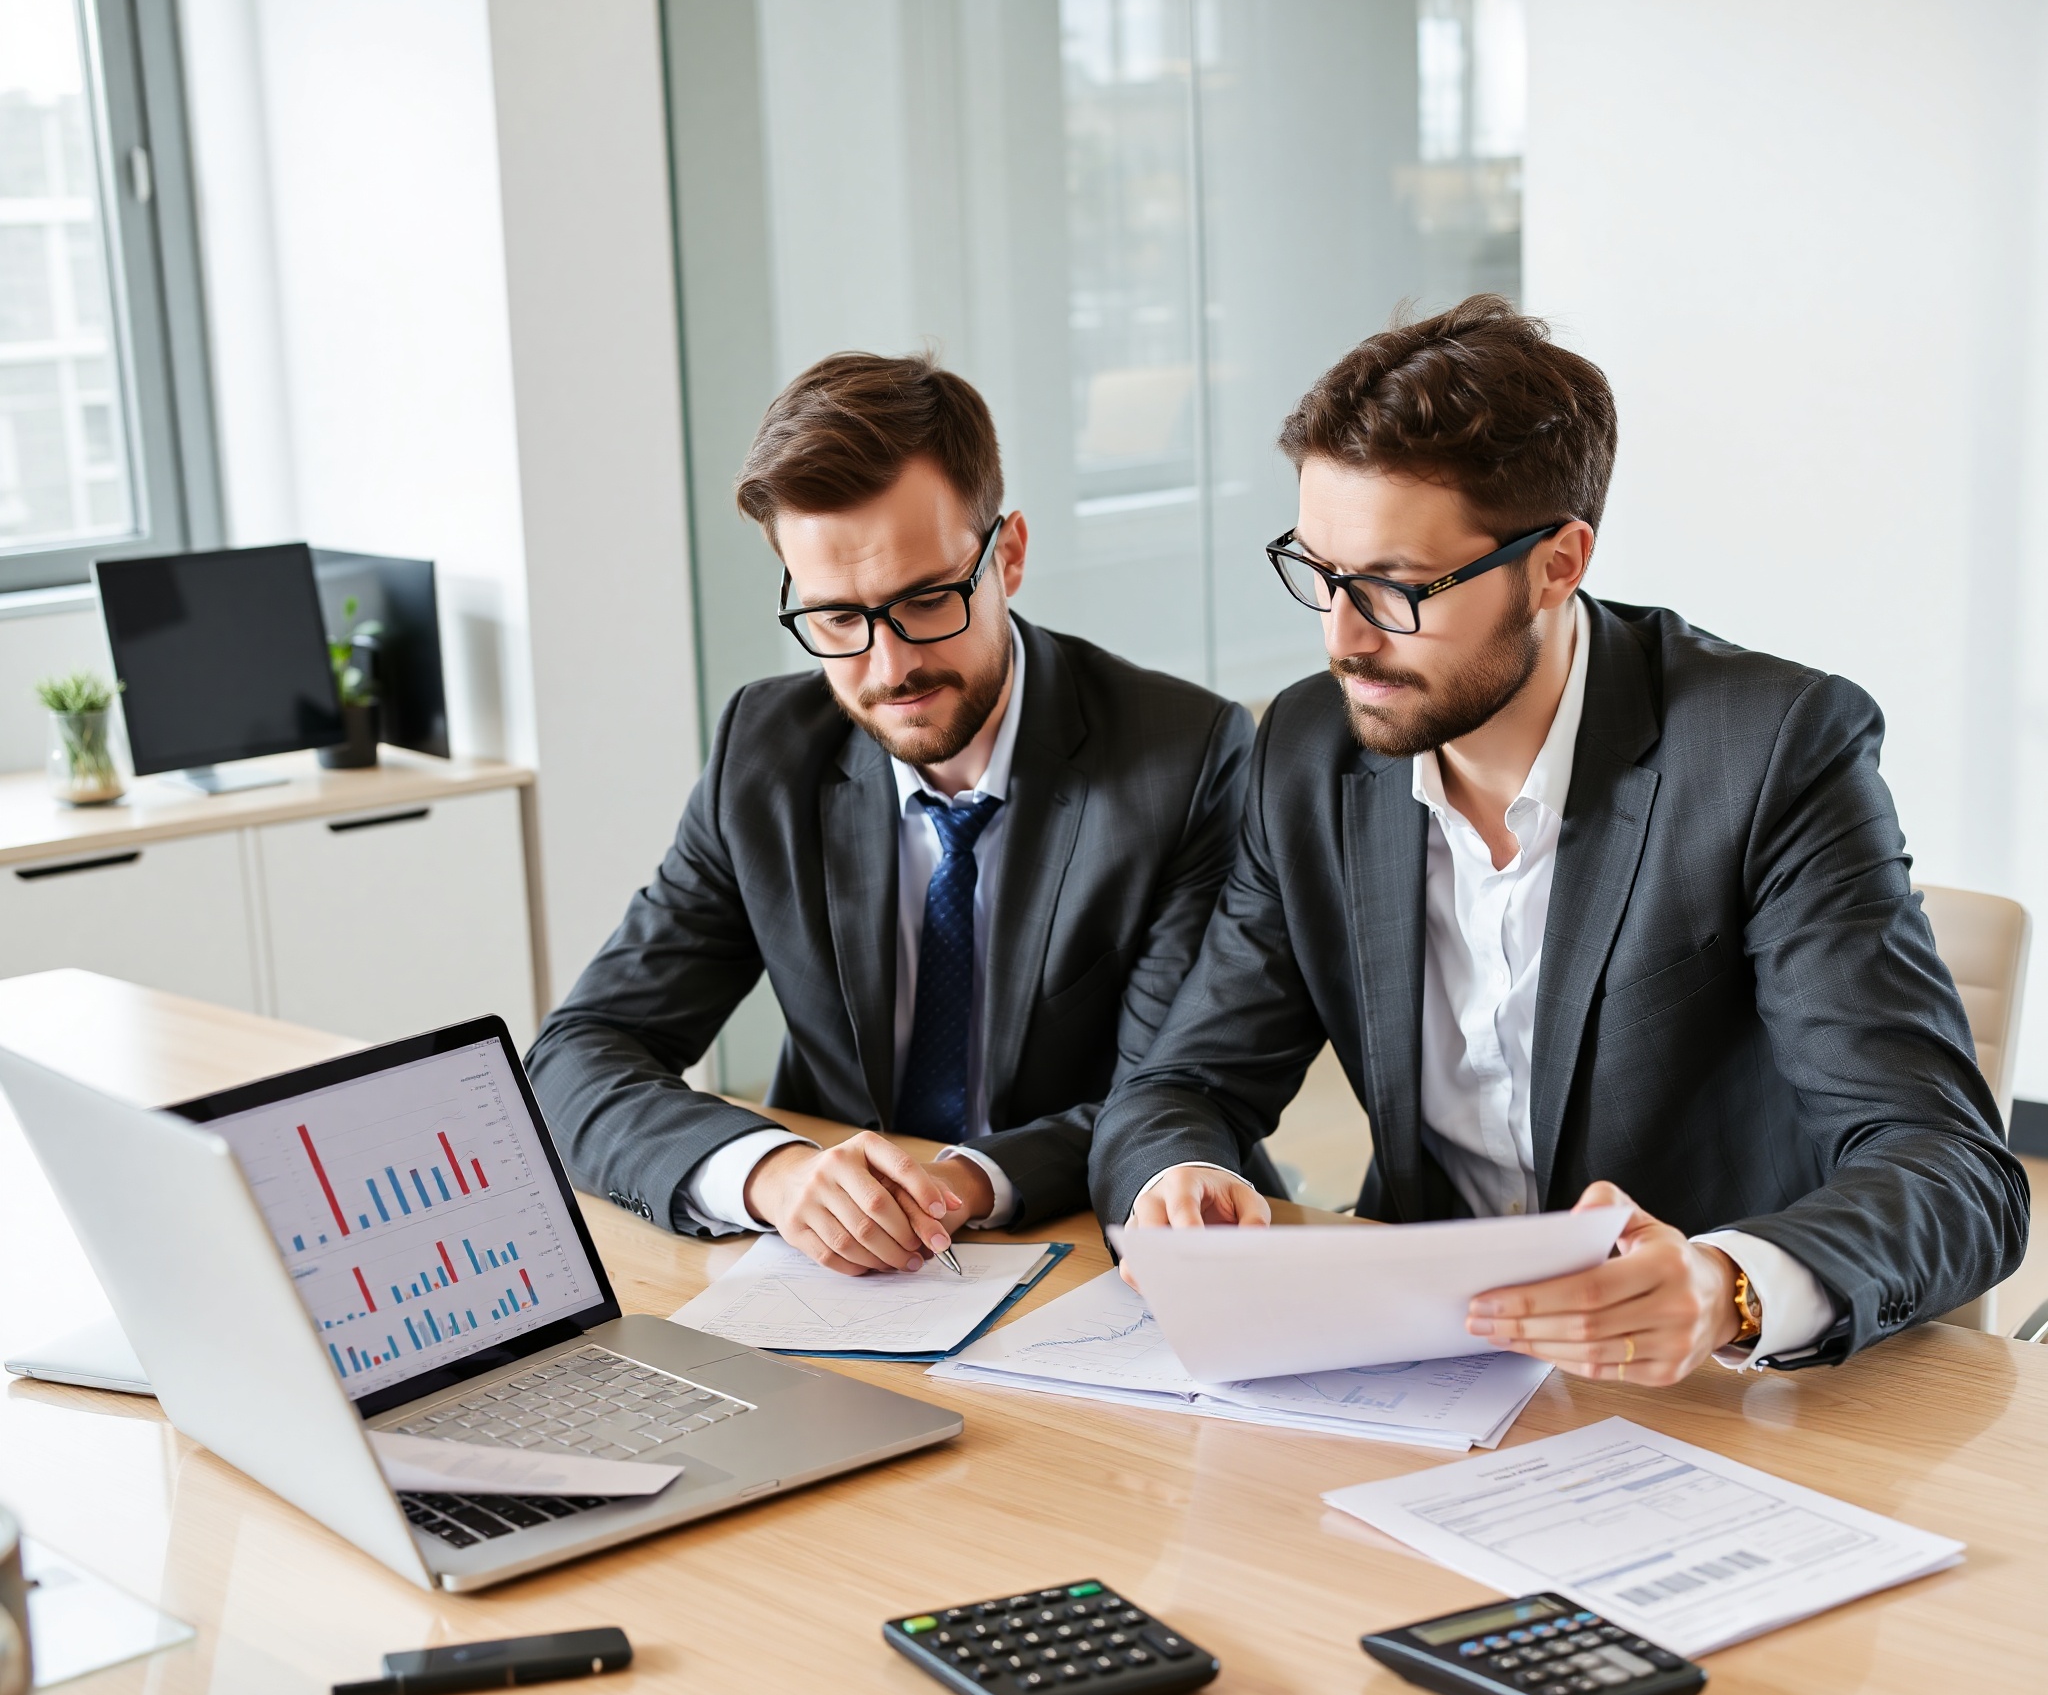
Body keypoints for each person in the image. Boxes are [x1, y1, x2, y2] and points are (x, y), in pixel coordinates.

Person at [1090, 296, 2027, 1382]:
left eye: (1392, 588)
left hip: (1706, 1392)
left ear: (1555, 563)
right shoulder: (1310, 747)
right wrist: (1176, 1176)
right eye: (1318, 573)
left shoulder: (1769, 751)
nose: (1340, 638)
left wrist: (1723, 1288)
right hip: (1423, 1364)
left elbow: (1953, 1171)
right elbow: (1179, 1086)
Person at [528, 350, 1267, 1274]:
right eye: (837, 619)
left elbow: (1168, 1094)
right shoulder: (767, 748)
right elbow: (578, 1054)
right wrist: (777, 1176)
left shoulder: (1187, 755)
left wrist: (954, 1184)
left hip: (1098, 1245)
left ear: (1009, 556)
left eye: (925, 600)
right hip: (843, 1280)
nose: (888, 668)